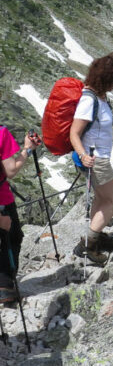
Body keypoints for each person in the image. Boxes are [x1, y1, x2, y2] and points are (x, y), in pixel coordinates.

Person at [70, 51, 113, 264]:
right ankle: (88, 245)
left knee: (102, 198)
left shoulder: (100, 97)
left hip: (98, 157)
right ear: (106, 79)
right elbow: (74, 133)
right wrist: (83, 155)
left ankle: (94, 237)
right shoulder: (89, 100)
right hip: (96, 160)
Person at [0, 126, 41, 303]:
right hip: (2, 200)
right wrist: (27, 150)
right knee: (12, 237)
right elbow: (11, 170)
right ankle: (4, 287)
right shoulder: (1, 133)